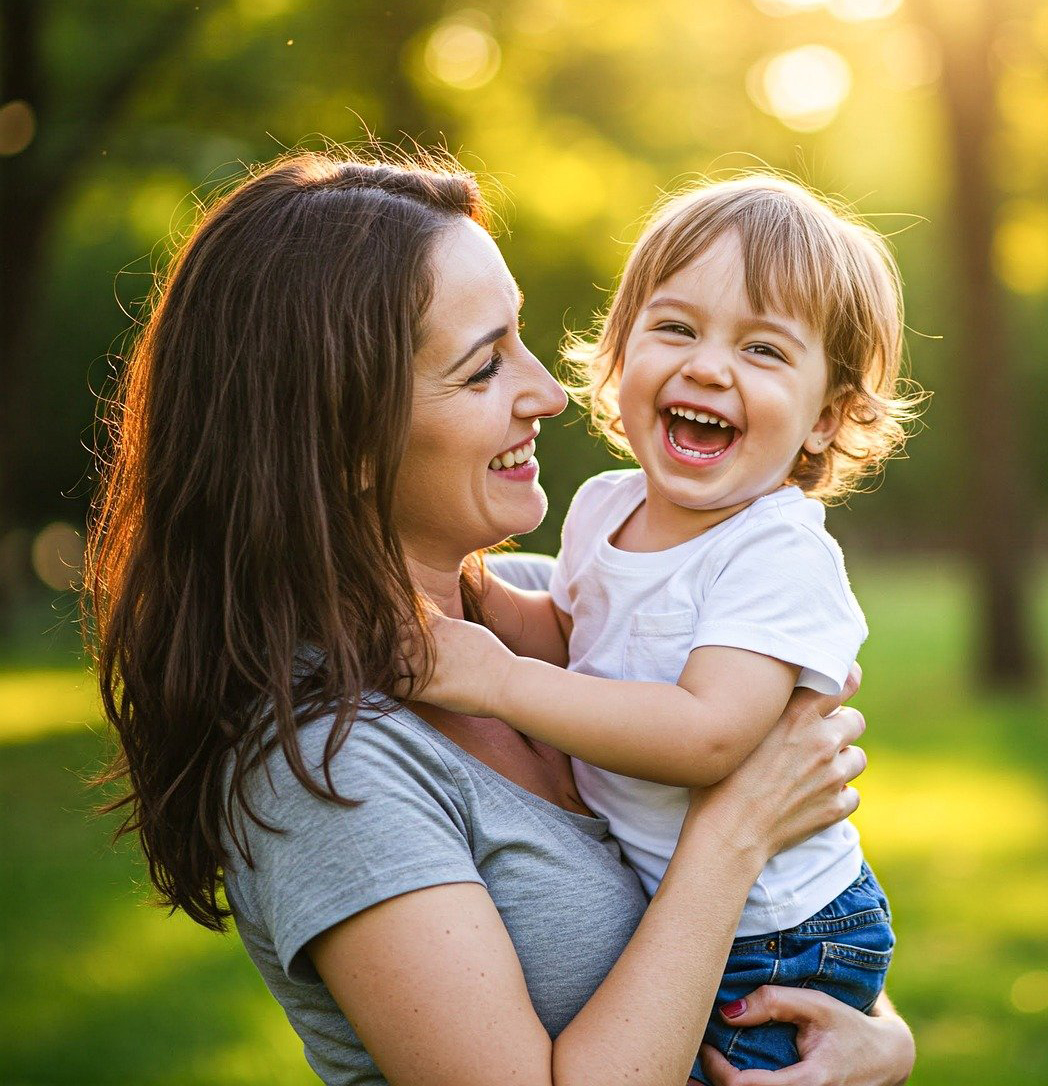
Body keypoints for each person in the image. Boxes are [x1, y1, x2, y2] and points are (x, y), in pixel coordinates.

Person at [84, 150, 916, 1085]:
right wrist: (735, 834)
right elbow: (740, 831)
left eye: (522, 339)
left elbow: (791, 918)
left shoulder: (548, 598)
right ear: (344, 436)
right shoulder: (327, 767)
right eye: (485, 368)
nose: (551, 394)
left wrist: (882, 1043)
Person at [409, 175, 925, 1077]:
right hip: (699, 911)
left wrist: (492, 678)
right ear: (619, 355)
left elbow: (708, 736)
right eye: (676, 328)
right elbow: (579, 644)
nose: (709, 367)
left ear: (826, 419)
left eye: (764, 350)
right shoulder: (604, 509)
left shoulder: (776, 551)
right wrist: (473, 610)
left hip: (782, 935)